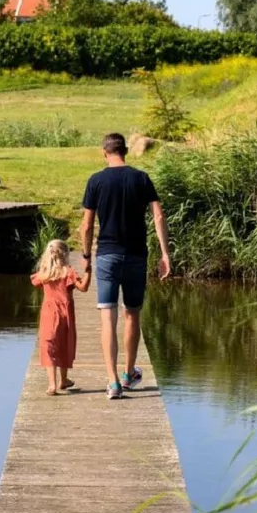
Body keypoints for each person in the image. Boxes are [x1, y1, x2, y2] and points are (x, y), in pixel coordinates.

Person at [79, 132, 171, 400]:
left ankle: (113, 382)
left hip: (106, 255)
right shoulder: (141, 178)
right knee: (132, 314)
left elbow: (86, 225)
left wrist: (86, 256)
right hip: (136, 256)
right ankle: (129, 374)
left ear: (104, 152)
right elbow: (159, 215)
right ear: (126, 151)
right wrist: (165, 254)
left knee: (108, 317)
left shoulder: (96, 180)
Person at [30, 238, 90, 396]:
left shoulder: (44, 273)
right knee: (64, 345)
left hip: (49, 314)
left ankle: (52, 385)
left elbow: (35, 283)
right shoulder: (68, 272)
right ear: (65, 255)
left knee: (50, 346)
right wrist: (88, 271)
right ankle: (63, 379)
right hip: (65, 314)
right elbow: (83, 288)